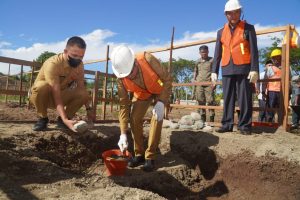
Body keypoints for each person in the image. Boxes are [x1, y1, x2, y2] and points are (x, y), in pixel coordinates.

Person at [111, 45, 172, 172]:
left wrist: (161, 102)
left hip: (159, 90)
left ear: (135, 63)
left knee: (157, 116)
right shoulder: (120, 78)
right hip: (142, 94)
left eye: (130, 73)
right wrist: (123, 133)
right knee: (134, 118)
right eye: (126, 76)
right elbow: (123, 105)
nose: (129, 77)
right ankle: (139, 154)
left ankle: (150, 157)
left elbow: (167, 79)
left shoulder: (147, 58)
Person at [211, 0, 259, 135]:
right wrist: (214, 71)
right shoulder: (220, 32)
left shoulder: (249, 28)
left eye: (236, 12)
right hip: (226, 68)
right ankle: (227, 124)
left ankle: (244, 126)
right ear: (226, 14)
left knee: (244, 98)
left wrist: (254, 68)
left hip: (243, 67)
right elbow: (217, 53)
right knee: (227, 98)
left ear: (240, 12)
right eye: (230, 13)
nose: (233, 15)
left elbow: (254, 51)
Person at [30, 36, 93, 132]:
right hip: (44, 96)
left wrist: (88, 109)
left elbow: (81, 87)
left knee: (84, 93)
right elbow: (56, 94)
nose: (78, 59)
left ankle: (62, 121)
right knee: (41, 86)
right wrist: (65, 119)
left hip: (62, 94)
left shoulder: (80, 65)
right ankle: (43, 118)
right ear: (65, 51)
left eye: (81, 57)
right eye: (74, 55)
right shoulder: (53, 64)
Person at [193, 45, 215, 123]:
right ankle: (203, 119)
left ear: (208, 52)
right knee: (200, 100)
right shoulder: (197, 61)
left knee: (210, 101)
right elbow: (195, 71)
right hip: (199, 83)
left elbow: (215, 71)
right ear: (199, 53)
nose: (204, 54)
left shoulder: (212, 60)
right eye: (202, 52)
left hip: (209, 83)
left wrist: (214, 82)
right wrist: (194, 79)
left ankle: (212, 119)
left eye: (205, 52)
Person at [265, 49, 282, 122]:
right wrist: (265, 90)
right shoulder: (270, 68)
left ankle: (280, 123)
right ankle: (269, 123)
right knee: (270, 108)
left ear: (281, 57)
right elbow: (266, 79)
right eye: (274, 58)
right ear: (272, 59)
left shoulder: (286, 67)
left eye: (278, 57)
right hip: (272, 91)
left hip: (281, 91)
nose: (276, 59)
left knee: (280, 108)